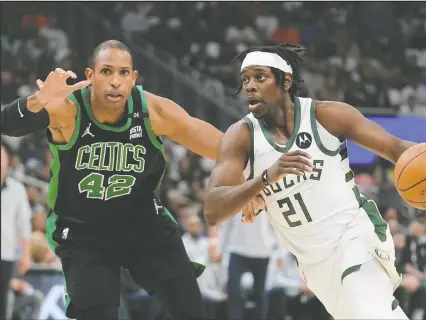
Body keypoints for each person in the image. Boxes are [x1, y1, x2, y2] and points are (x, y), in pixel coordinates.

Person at [0, 40, 258, 320]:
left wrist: (248, 180)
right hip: (84, 230)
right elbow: (7, 124)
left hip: (143, 224)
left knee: (190, 309)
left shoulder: (152, 110)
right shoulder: (68, 110)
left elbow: (220, 147)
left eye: (123, 73)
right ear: (90, 76)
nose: (115, 82)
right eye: (106, 72)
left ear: (133, 78)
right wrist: (36, 101)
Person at [204, 43, 426, 319]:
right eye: (245, 79)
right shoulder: (241, 135)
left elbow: (396, 148)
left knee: (368, 309)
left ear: (286, 80)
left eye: (260, 77)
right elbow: (212, 210)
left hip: (355, 236)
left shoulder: (326, 116)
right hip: (315, 263)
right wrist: (264, 179)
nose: (249, 86)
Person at [1, 144, 32, 320]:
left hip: (6, 255)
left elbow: (24, 225)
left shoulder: (17, 190)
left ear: (7, 162)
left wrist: (26, 253)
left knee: (3, 302)